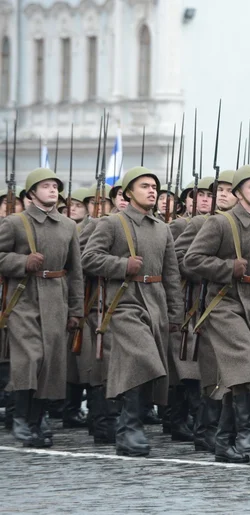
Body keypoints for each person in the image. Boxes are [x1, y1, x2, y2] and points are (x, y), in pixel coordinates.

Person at [183, 165, 250, 464]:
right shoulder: (220, 223)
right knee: (243, 358)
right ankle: (231, 436)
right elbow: (192, 260)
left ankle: (224, 439)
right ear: (239, 193)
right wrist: (227, 268)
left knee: (247, 373)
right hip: (224, 303)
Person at [81, 166, 183, 457]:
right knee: (142, 358)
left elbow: (171, 275)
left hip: (155, 302)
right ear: (128, 192)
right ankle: (129, 427)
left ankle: (130, 425)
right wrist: (122, 266)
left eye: (155, 187)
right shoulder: (112, 223)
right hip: (123, 302)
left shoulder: (162, 228)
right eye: (144, 186)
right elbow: (89, 258)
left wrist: (175, 314)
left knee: (149, 366)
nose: (152, 191)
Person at [0, 168, 84, 448]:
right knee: (29, 357)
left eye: (55, 186)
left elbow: (75, 272)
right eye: (45, 186)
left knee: (50, 362)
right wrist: (21, 262)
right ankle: (21, 420)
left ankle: (38, 420)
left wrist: (75, 310)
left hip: (56, 298)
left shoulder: (68, 225)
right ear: (31, 193)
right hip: (23, 298)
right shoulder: (15, 223)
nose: (52, 190)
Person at [174, 169, 236, 453]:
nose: (221, 196)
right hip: (203, 302)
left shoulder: (241, 223)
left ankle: (219, 429)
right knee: (209, 369)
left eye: (225, 191)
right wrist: (215, 270)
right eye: (216, 192)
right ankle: (204, 429)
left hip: (236, 302)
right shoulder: (201, 222)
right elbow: (179, 259)